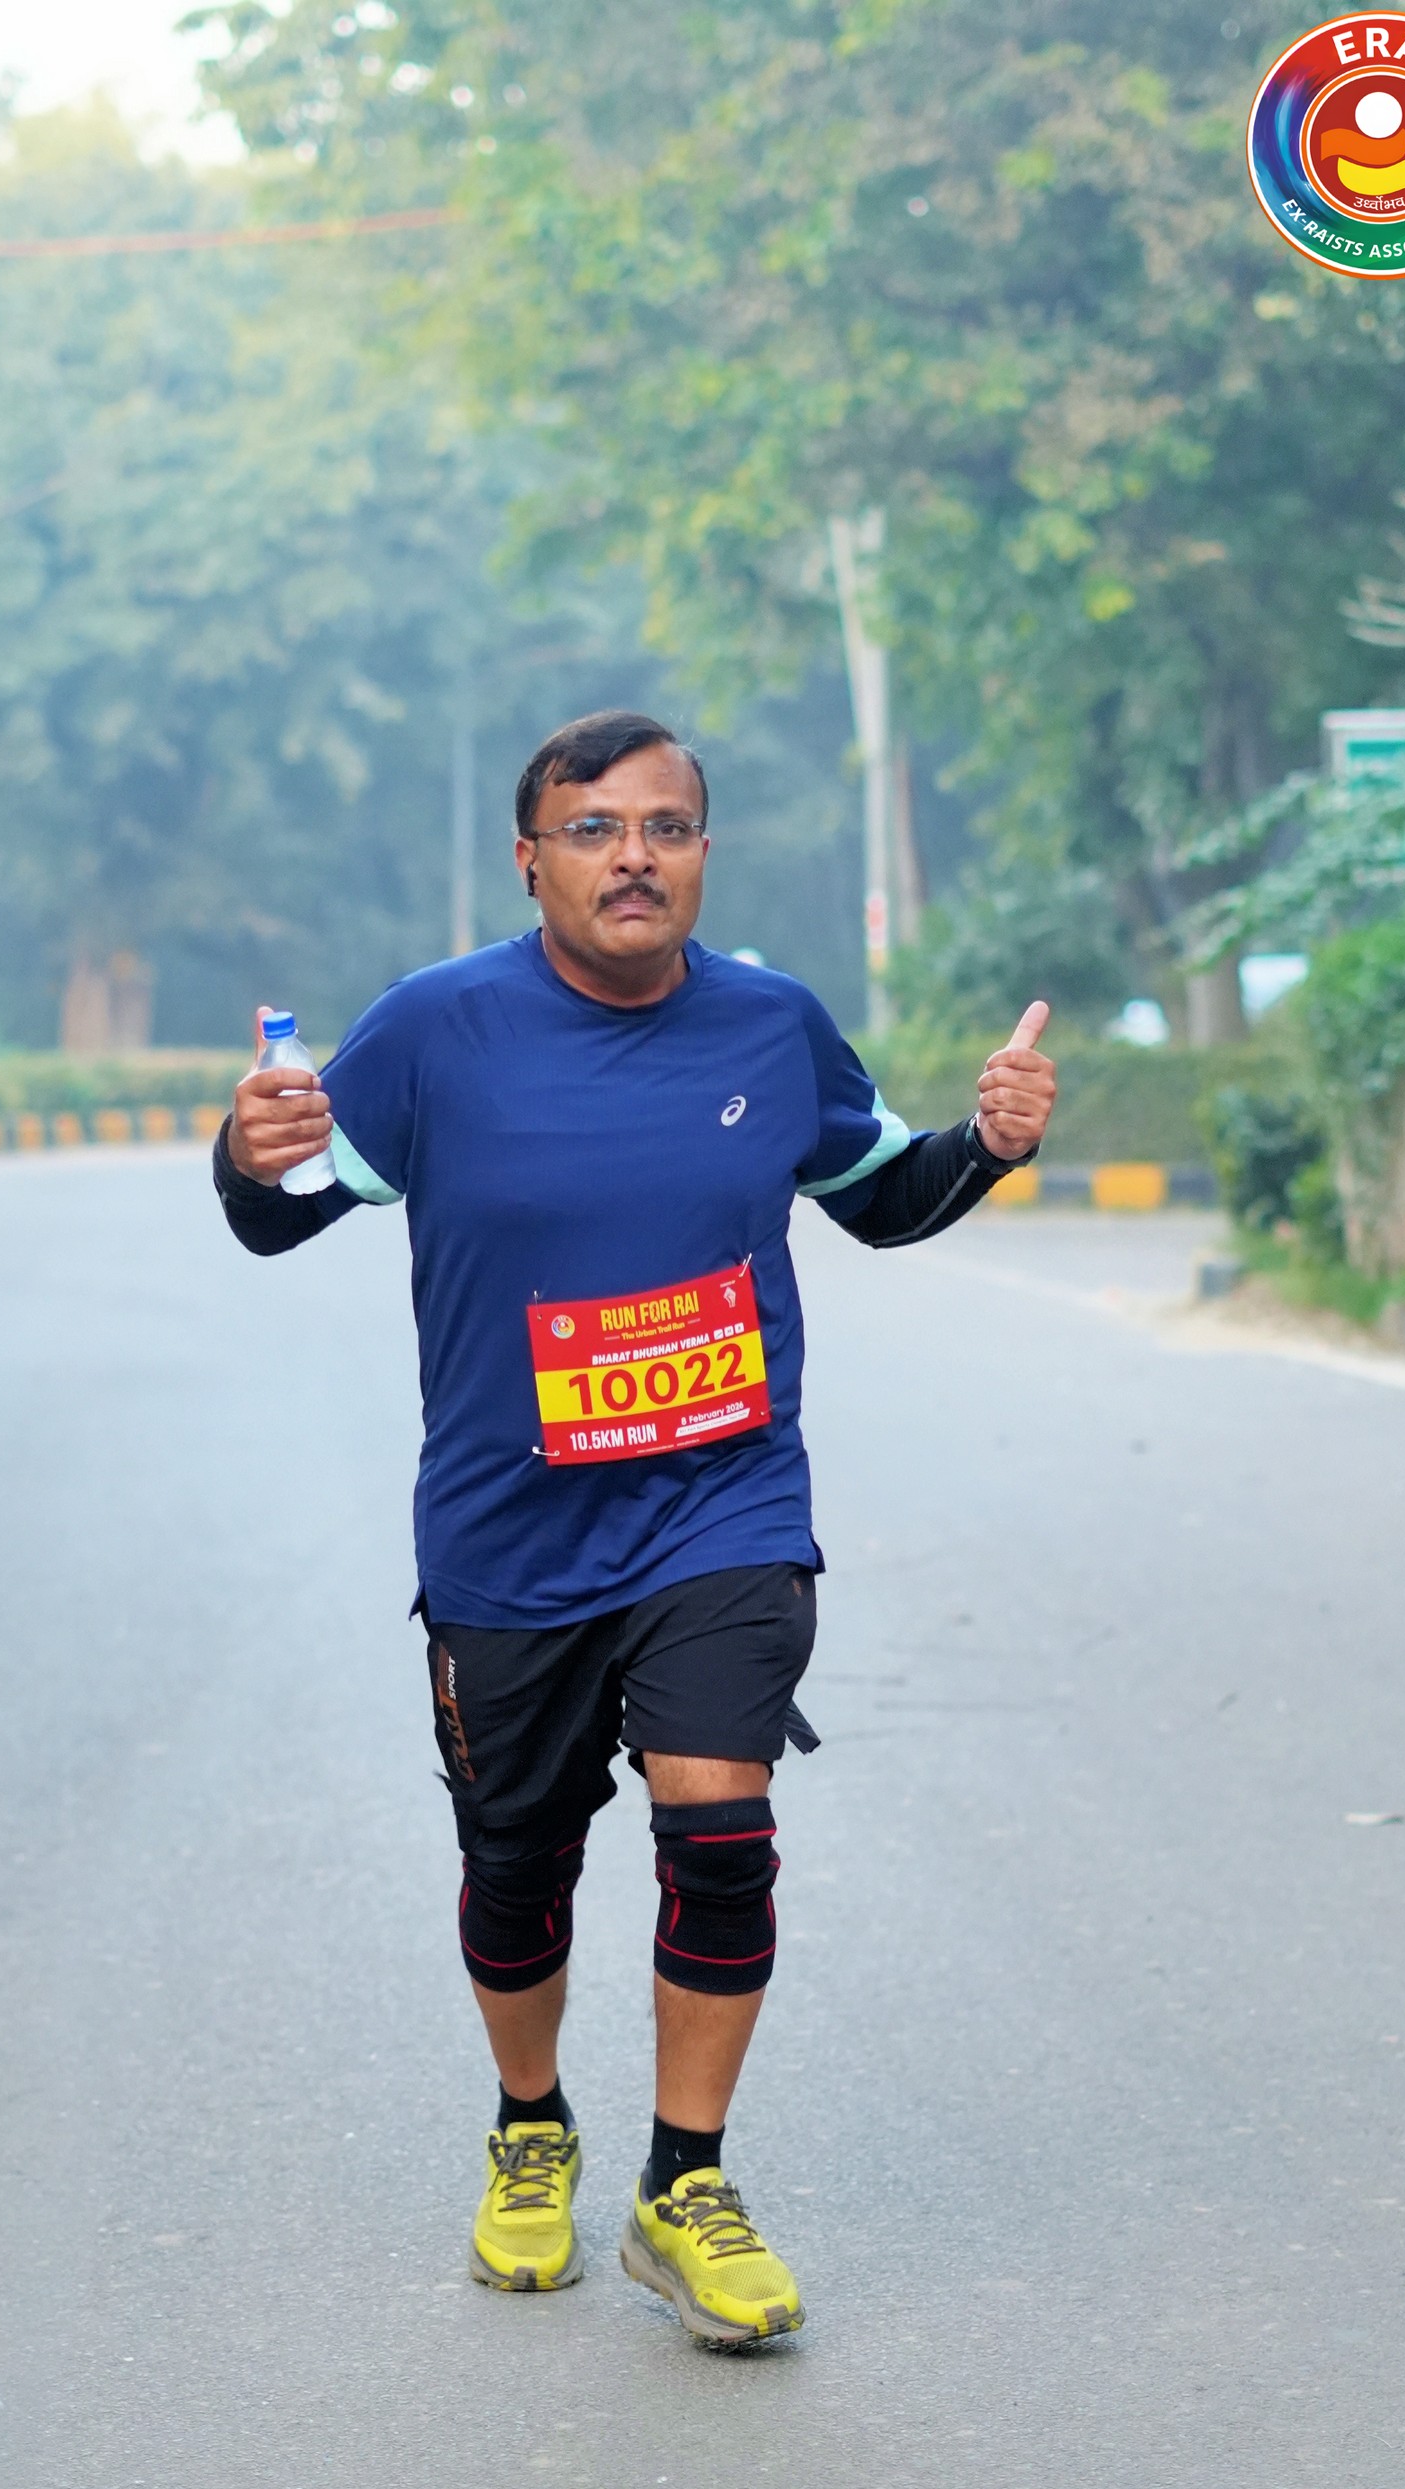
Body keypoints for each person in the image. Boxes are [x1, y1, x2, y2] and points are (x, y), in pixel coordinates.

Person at [215, 711, 1056, 2345]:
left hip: (721, 1510)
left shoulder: (770, 1025)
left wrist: (992, 1148)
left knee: (720, 1830)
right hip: (508, 1537)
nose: (633, 858)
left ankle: (687, 2183)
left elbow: (883, 1195)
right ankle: (532, 2126)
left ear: (704, 855)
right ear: (530, 861)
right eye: (593, 830)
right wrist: (249, 1159)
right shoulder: (434, 1029)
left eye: (666, 828)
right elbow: (281, 1218)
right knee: (516, 1864)